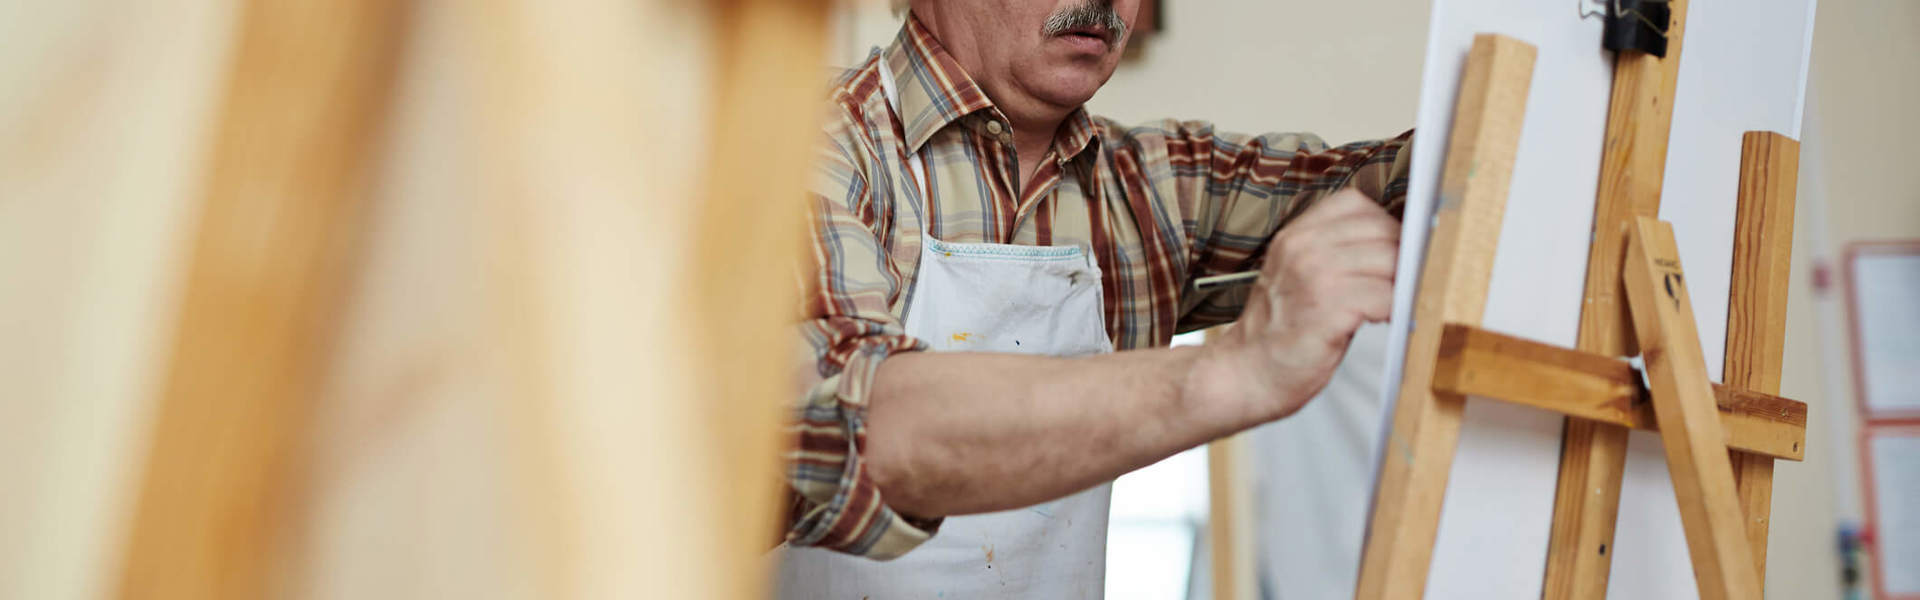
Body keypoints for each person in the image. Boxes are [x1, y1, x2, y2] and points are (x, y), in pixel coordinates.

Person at [775, 0, 1412, 597]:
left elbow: (1431, 186)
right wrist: (1236, 370)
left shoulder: (1148, 192)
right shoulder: (800, 145)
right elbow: (858, 428)